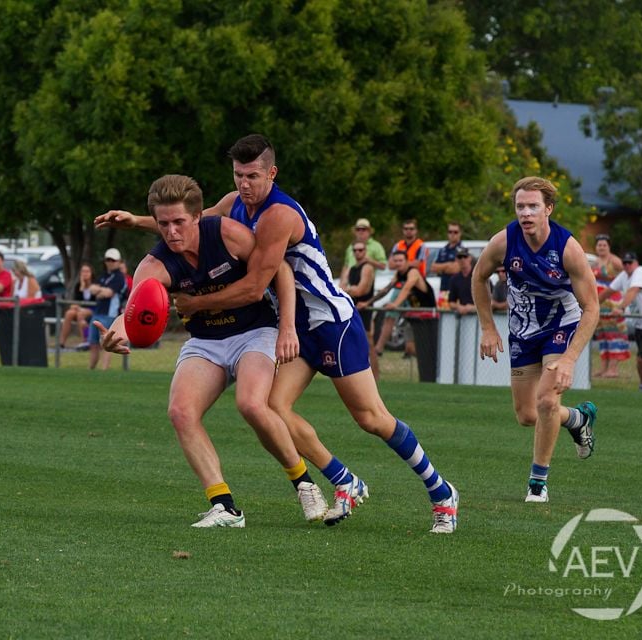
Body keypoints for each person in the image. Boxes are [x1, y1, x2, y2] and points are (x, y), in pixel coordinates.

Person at [96, 134, 459, 533]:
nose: (243, 185)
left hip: (330, 323)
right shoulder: (235, 204)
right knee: (270, 408)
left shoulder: (278, 216)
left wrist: (195, 304)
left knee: (371, 418)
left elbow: (254, 287)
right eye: (238, 175)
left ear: (272, 173)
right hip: (295, 325)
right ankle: (344, 481)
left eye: (252, 176)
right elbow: (191, 222)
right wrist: (138, 220)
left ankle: (441, 491)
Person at [96, 174, 331, 527]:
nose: (172, 232)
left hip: (256, 331)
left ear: (196, 217)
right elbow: (132, 310)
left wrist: (286, 327)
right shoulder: (154, 264)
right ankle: (224, 506)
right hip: (206, 342)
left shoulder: (225, 233)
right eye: (163, 225)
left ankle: (304, 483)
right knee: (180, 411)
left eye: (179, 222)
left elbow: (279, 269)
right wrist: (114, 334)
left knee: (252, 403)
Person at [472, 176, 599, 504]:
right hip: (523, 330)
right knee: (528, 415)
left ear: (549, 210)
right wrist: (488, 327)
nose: (525, 213)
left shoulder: (567, 248)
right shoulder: (503, 241)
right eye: (520, 207)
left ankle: (537, 484)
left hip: (561, 324)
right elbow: (478, 276)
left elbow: (592, 308)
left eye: (533, 206)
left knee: (546, 401)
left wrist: (570, 358)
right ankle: (578, 418)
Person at [598, 252, 642, 393]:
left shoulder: (640, 272)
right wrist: (591, 304)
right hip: (641, 323)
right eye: (625, 263)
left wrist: (621, 308)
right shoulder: (624, 275)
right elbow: (608, 291)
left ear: (636, 263)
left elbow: (633, 291)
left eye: (630, 262)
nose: (627, 265)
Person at [365, 250, 439, 382]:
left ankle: (431, 378)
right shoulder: (399, 274)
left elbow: (406, 289)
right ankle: (425, 377)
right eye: (396, 261)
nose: (398, 263)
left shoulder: (413, 272)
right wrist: (368, 302)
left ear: (407, 262)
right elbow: (386, 290)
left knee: (428, 351)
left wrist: (395, 304)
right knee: (410, 348)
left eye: (401, 261)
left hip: (427, 318)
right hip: (414, 317)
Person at [591, 234, 629, 378]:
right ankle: (604, 368)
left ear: (609, 246)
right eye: (599, 245)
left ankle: (613, 369)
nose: (601, 247)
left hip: (613, 304)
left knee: (614, 336)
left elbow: (628, 275)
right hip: (599, 305)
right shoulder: (595, 263)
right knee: (603, 336)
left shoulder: (616, 261)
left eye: (604, 245)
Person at [341, 241, 379, 380]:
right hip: (353, 308)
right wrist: (350, 290)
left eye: (361, 250)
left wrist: (348, 290)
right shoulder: (352, 268)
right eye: (355, 250)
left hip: (364, 308)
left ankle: (376, 377)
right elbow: (342, 287)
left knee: (369, 342)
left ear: (365, 251)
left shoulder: (367, 267)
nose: (358, 253)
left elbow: (361, 290)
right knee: (353, 342)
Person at [88, 248, 127, 370]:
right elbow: (91, 289)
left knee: (106, 344)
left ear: (119, 261)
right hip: (98, 312)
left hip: (110, 315)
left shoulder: (119, 277)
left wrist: (100, 291)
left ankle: (104, 370)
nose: (110, 262)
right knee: (93, 343)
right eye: (108, 259)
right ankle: (91, 370)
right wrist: (101, 291)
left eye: (113, 260)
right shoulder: (104, 276)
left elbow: (109, 293)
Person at [339, 218, 386, 286]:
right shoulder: (350, 247)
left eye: (364, 229)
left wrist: (369, 260)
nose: (361, 232)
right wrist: (341, 283)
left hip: (366, 285)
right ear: (355, 232)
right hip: (349, 284)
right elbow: (346, 266)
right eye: (358, 229)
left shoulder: (376, 246)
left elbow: (383, 266)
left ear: (369, 231)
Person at [59, 263, 95, 348]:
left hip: (93, 309)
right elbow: (76, 302)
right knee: (69, 313)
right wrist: (82, 287)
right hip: (80, 309)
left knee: (80, 314)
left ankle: (85, 342)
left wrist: (79, 307)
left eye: (87, 271)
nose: (85, 274)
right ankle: (62, 342)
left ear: (91, 273)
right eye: (83, 271)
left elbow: (95, 301)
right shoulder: (78, 286)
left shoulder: (95, 285)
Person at [430, 221, 464, 306]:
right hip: (443, 289)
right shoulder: (442, 250)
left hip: (457, 290)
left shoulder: (462, 250)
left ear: (460, 233)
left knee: (454, 316)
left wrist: (442, 268)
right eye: (450, 232)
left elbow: (456, 269)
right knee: (443, 315)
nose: (452, 234)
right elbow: (433, 268)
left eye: (455, 232)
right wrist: (448, 265)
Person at [446, 249, 477, 315]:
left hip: (479, 316)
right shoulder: (454, 279)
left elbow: (490, 301)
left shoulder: (478, 277)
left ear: (470, 258)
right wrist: (458, 307)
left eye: (465, 257)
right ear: (456, 260)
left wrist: (472, 308)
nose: (462, 259)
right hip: (463, 316)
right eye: (459, 257)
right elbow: (451, 302)